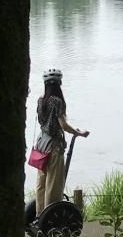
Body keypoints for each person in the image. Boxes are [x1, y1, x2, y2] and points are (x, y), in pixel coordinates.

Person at [34, 68, 90, 216]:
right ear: (59, 84)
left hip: (41, 143)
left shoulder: (40, 100)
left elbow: (42, 122)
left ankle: (39, 215)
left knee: (41, 182)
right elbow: (63, 125)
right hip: (53, 146)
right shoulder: (57, 102)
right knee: (53, 184)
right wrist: (78, 133)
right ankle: (50, 217)